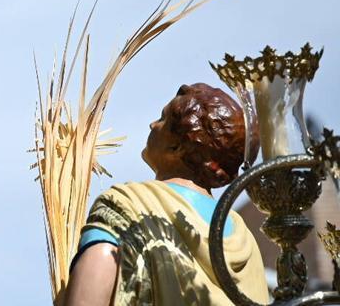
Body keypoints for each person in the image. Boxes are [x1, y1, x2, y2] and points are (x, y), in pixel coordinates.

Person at [65, 83, 269, 306]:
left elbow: (102, 259)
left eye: (162, 119)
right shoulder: (244, 238)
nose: (152, 124)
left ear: (177, 147)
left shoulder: (130, 204)